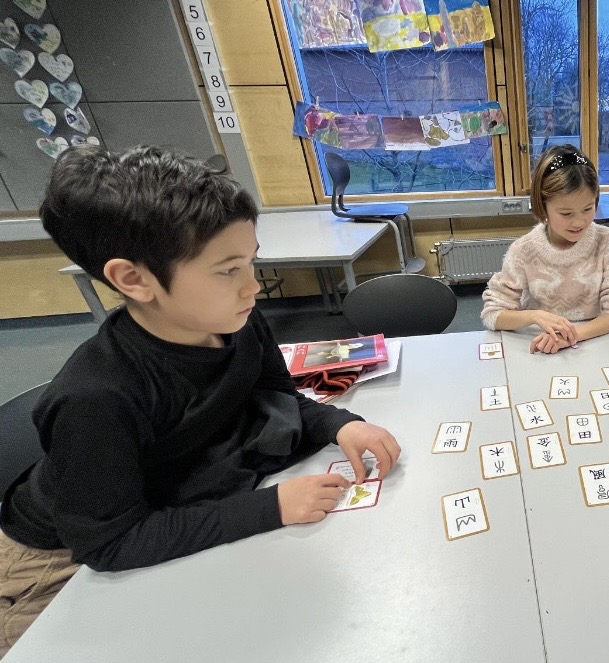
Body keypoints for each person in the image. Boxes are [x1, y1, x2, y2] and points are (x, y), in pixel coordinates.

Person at [0, 146, 402, 655]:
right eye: (228, 270)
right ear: (134, 279)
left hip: (178, 495)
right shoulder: (95, 399)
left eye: (251, 262)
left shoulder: (236, 320)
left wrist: (339, 424)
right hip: (53, 562)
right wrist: (271, 507)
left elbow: (274, 398)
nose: (253, 288)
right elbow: (110, 543)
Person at [481, 144, 609, 354]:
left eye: (588, 208)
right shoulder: (524, 250)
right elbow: (493, 314)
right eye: (566, 213)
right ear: (542, 206)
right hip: (540, 344)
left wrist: (571, 336)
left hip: (594, 342)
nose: (579, 222)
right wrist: (534, 316)